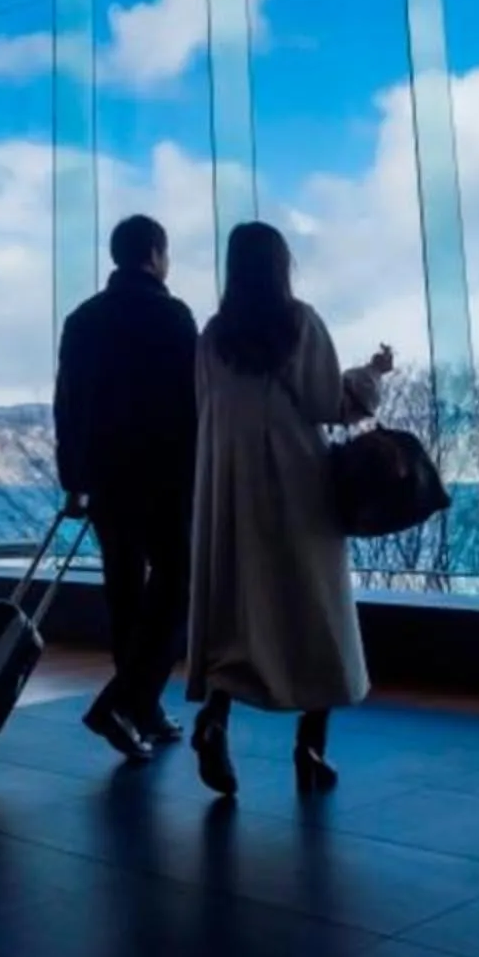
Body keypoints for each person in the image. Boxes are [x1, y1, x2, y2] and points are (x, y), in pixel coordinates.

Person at [185, 221, 394, 797]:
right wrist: (373, 374)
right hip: (296, 480)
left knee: (237, 609)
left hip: (228, 486)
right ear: (282, 265)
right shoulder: (300, 322)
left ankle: (216, 718)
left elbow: (205, 407)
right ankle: (309, 746)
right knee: (314, 608)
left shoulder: (212, 335)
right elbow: (329, 402)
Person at [52, 214, 200, 761]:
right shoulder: (173, 316)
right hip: (166, 476)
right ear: (157, 254)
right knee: (176, 585)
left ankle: (141, 707)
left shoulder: (83, 319)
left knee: (124, 594)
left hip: (106, 481)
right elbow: (194, 405)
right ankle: (127, 703)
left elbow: (66, 404)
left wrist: (74, 479)